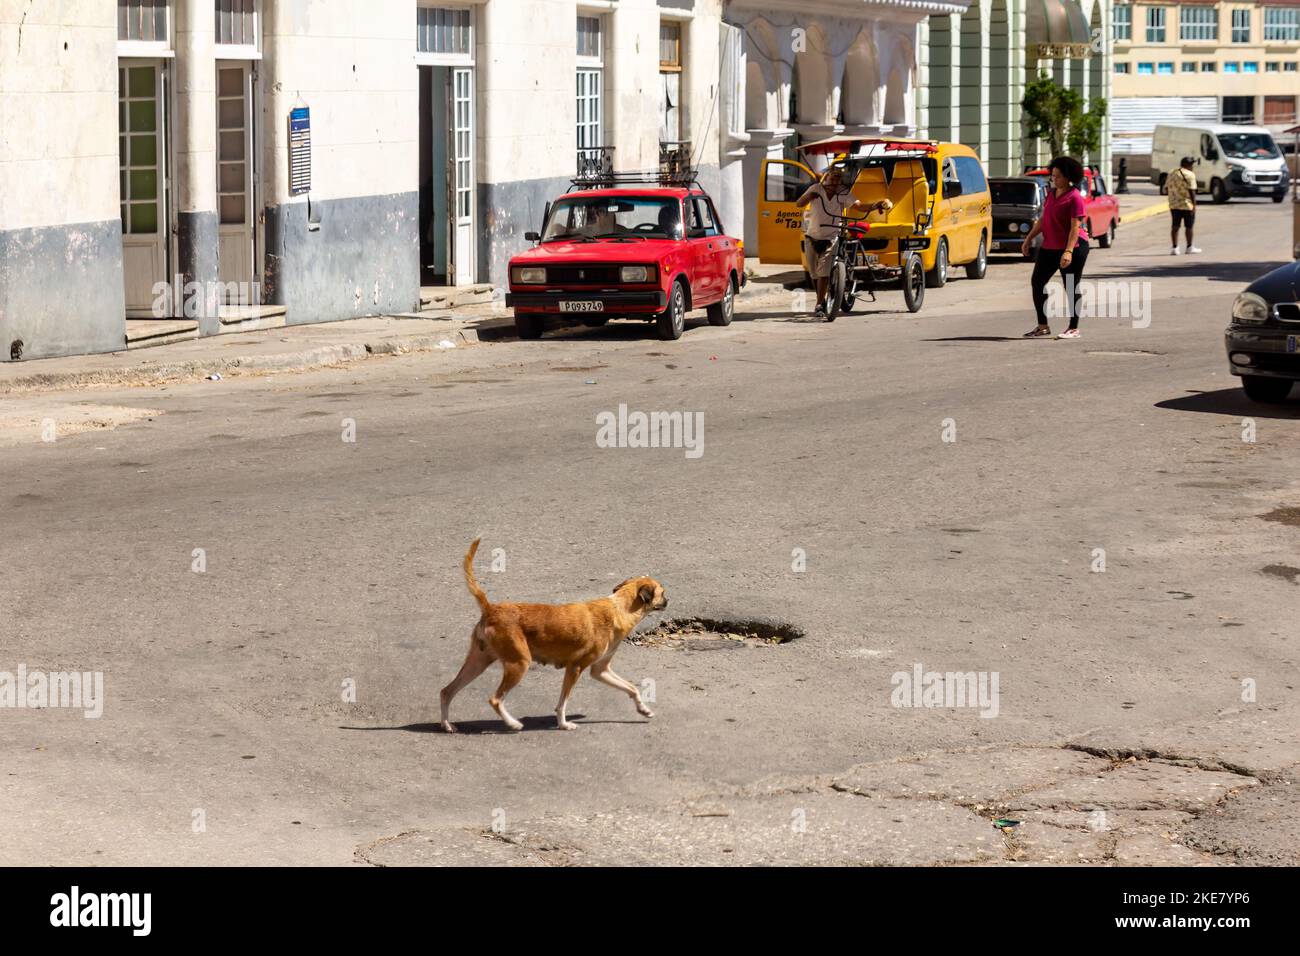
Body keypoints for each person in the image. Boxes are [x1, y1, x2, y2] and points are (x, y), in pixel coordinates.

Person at [795, 165, 889, 318]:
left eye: (838, 179)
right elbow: (799, 203)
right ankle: (822, 298)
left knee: (823, 272)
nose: (835, 181)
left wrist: (875, 205)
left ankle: (819, 304)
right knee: (813, 273)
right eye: (833, 178)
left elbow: (860, 207)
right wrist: (808, 196)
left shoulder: (843, 193)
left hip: (831, 236)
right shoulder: (816, 188)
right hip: (811, 236)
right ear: (827, 178)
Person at [1021, 156, 1091, 339]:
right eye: (1053, 176)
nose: (1054, 179)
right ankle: (1042, 325)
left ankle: (1073, 328)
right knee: (1037, 282)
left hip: (1074, 246)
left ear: (1069, 177)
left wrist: (1068, 251)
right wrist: (1029, 238)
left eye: (1058, 176)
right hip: (1050, 246)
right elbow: (1044, 219)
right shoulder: (1051, 194)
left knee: (1070, 286)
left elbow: (1075, 227)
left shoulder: (1075, 198)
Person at [1166, 156, 1201, 255]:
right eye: (1192, 164)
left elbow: (1167, 187)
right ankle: (1189, 247)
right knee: (1189, 227)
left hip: (1174, 204)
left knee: (1175, 226)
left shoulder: (1172, 173)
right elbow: (1192, 191)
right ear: (1188, 165)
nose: (1193, 167)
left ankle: (1175, 248)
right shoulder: (1190, 175)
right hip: (1187, 204)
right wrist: (1194, 205)